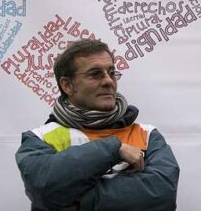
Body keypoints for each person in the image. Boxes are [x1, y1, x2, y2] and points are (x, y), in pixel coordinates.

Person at [15, 39, 179, 210]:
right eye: (95, 74)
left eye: (112, 72)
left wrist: (75, 203)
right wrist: (113, 150)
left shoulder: (147, 134)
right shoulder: (38, 138)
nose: (108, 81)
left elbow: (162, 195)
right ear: (67, 85)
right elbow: (44, 188)